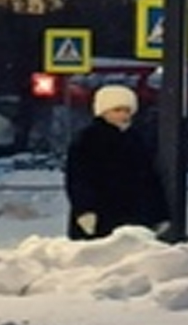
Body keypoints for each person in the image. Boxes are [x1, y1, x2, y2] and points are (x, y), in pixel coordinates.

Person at [64, 85, 168, 241]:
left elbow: (150, 179)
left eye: (127, 110)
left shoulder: (136, 139)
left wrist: (159, 213)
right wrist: (85, 210)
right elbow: (78, 177)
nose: (123, 115)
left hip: (135, 215)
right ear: (103, 111)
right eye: (117, 110)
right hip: (101, 215)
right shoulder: (88, 139)